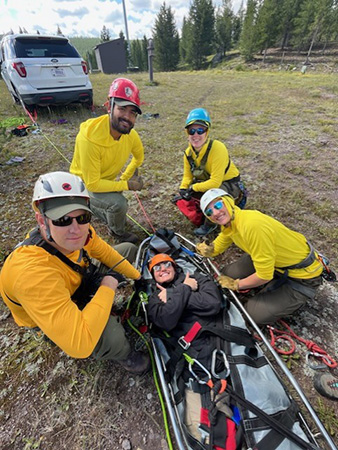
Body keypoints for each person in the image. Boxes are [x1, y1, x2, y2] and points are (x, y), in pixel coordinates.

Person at [0, 171, 150, 374]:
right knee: (112, 336)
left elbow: (107, 253)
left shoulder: (83, 232)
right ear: (42, 220)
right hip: (52, 310)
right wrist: (108, 286)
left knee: (127, 250)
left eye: (83, 217)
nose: (75, 228)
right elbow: (80, 345)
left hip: (75, 284)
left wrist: (138, 278)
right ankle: (125, 355)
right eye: (62, 220)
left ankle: (95, 300)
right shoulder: (31, 273)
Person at [196, 188, 323, 325]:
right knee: (228, 273)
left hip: (302, 276)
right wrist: (208, 251)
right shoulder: (231, 223)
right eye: (209, 212)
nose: (216, 213)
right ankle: (271, 283)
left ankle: (289, 294)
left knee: (253, 315)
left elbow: (264, 276)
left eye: (218, 205)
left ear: (228, 202)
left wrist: (237, 284)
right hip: (274, 262)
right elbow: (223, 240)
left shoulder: (251, 225)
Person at [146, 253, 230, 443]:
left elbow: (213, 303)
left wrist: (174, 298)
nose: (162, 269)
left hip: (218, 341)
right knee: (207, 427)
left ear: (175, 267)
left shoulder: (197, 278)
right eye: (156, 268)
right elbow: (166, 320)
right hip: (193, 354)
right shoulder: (154, 297)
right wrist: (185, 290)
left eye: (166, 264)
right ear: (152, 275)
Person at [70, 77, 145, 244]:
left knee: (115, 198)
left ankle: (91, 208)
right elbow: (93, 184)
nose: (127, 116)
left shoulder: (130, 135)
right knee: (118, 203)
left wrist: (125, 177)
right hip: (82, 184)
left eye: (132, 112)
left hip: (102, 181)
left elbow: (139, 157)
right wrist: (126, 185)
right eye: (122, 109)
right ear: (108, 107)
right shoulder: (89, 137)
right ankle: (117, 233)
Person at [178, 108, 247, 237]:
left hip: (229, 184)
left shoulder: (218, 148)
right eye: (191, 131)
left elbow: (215, 182)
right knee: (188, 196)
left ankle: (209, 225)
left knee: (212, 196)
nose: (196, 135)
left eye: (200, 130)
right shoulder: (188, 153)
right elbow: (187, 176)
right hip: (208, 182)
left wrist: (193, 188)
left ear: (207, 131)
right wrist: (183, 188)